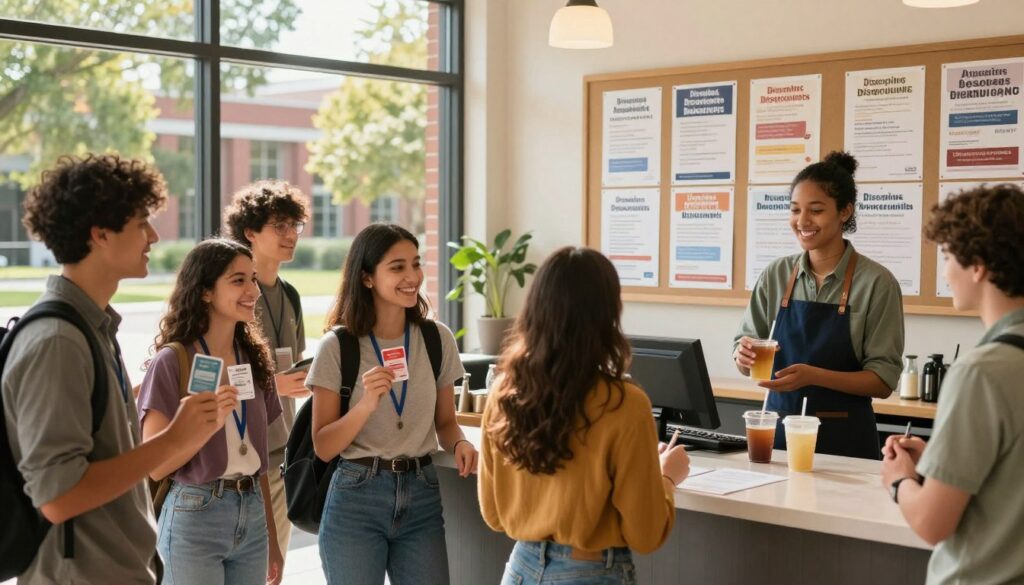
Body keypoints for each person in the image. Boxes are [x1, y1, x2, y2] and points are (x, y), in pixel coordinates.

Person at [2, 154, 222, 584]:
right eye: (141, 222)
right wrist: (173, 440)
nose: (154, 236)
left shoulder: (91, 327)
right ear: (100, 234)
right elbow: (58, 496)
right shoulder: (59, 341)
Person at [479, 246, 689, 585]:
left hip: (521, 568)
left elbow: (493, 515)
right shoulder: (625, 405)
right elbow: (646, 534)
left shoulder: (504, 393)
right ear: (607, 315)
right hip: (590, 571)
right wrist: (666, 477)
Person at [307, 223, 477, 585]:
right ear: (367, 278)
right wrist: (366, 404)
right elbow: (323, 446)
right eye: (397, 267)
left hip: (422, 493)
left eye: (416, 264)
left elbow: (445, 422)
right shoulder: (338, 347)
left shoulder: (436, 338)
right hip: (357, 498)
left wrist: (460, 442)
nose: (412, 276)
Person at [880, 184, 1024, 584]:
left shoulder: (981, 372)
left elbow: (931, 522)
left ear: (976, 265)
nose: (945, 272)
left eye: (946, 257)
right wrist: (939, 460)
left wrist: (899, 482)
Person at [733, 151, 904, 459]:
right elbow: (745, 349)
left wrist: (815, 376)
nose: (802, 221)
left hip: (846, 448)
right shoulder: (776, 275)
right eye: (795, 210)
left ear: (844, 211)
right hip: (780, 441)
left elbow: (882, 381)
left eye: (816, 210)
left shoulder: (877, 283)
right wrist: (742, 355)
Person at [137, 238, 284, 585]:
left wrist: (273, 539)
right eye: (238, 280)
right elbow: (156, 464)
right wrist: (204, 426)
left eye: (253, 278)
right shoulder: (172, 362)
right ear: (205, 292)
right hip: (195, 510)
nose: (253, 290)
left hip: (252, 513)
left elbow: (258, 458)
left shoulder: (254, 360)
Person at [224, 179, 309, 560]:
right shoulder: (234, 296)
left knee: (274, 570)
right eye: (280, 226)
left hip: (283, 455)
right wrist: (275, 386)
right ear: (249, 232)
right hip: (241, 459)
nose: (291, 235)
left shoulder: (290, 295)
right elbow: (213, 376)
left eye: (295, 226)